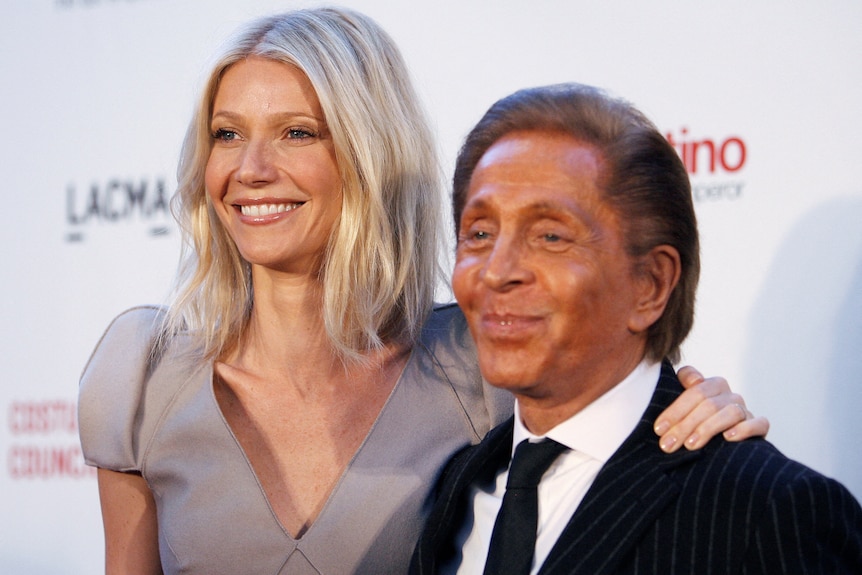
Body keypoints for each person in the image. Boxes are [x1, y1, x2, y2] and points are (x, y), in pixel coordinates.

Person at [77, 9, 768, 575]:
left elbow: (620, 437)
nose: (252, 168)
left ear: (370, 154)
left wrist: (691, 410)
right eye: (227, 134)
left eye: (297, 133)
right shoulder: (144, 375)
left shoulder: (477, 364)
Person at [410, 83, 862, 575]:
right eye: (480, 233)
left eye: (550, 236)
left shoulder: (769, 511)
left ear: (650, 284)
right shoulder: (457, 485)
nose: (497, 271)